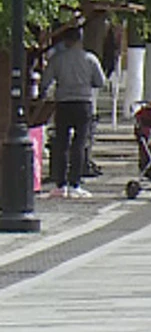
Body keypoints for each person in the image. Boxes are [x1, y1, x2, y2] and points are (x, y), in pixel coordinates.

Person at [41, 22, 106, 200]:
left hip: (63, 103)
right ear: (80, 40)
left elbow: (46, 81)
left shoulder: (57, 59)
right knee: (79, 143)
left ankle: (60, 184)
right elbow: (100, 81)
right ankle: (75, 183)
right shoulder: (90, 59)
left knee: (61, 143)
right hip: (83, 102)